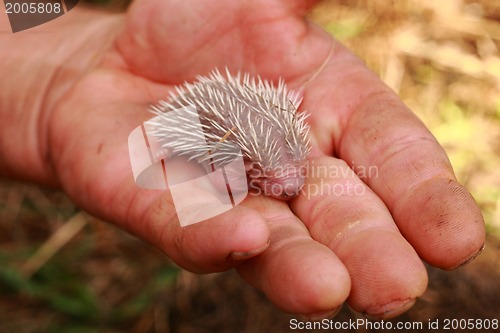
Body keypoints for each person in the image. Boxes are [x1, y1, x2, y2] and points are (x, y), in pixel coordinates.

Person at [0, 0, 485, 320]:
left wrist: (56, 71)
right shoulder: (202, 135)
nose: (293, 187)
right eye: (277, 179)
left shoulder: (282, 132)